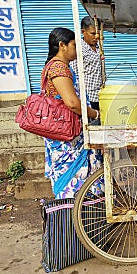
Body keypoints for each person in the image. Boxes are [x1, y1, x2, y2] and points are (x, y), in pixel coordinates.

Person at [43, 27, 102, 199]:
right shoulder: (58, 69)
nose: (77, 50)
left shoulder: (57, 67)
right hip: (67, 136)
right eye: (74, 45)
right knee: (75, 176)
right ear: (62, 45)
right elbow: (72, 103)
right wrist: (95, 114)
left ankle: (81, 215)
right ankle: (77, 215)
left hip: (64, 132)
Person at [70, 16, 103, 111]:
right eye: (93, 33)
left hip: (100, 94)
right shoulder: (78, 50)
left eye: (98, 33)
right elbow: (74, 75)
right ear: (83, 32)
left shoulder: (98, 47)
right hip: (88, 97)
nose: (96, 36)